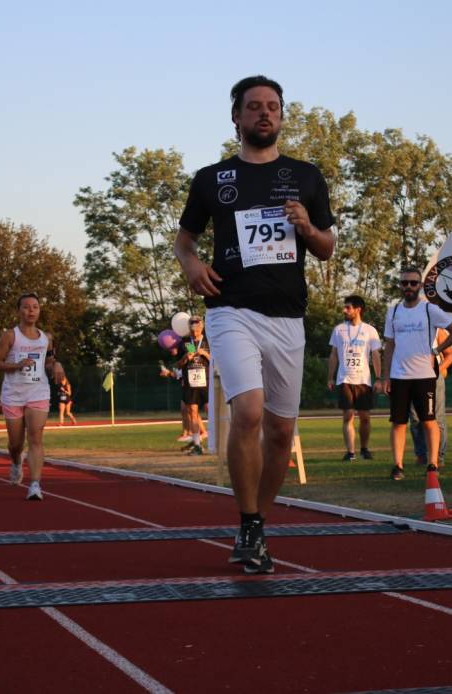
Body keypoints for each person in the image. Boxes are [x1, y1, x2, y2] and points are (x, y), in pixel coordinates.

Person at [174, 75, 335, 574]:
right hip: (231, 309)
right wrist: (193, 266)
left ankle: (257, 524)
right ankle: (247, 522)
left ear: (282, 116)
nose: (265, 114)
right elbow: (184, 241)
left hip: (288, 314)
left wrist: (307, 227)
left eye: (273, 107)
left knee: (282, 433)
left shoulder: (307, 176)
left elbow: (327, 247)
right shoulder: (211, 179)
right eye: (254, 107)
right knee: (248, 411)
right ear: (236, 117)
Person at [377, 267, 452, 480]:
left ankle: (432, 464)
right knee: (398, 422)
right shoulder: (394, 311)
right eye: (404, 283)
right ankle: (398, 465)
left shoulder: (429, 309)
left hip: (425, 375)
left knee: (429, 420)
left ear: (420, 286)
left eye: (413, 283)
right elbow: (389, 344)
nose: (408, 287)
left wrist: (436, 351)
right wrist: (385, 376)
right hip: (399, 376)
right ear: (400, 286)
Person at [0, 292, 66, 500]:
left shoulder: (45, 338)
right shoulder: (10, 336)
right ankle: (15, 462)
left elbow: (48, 362)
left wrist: (56, 365)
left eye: (35, 307)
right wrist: (16, 365)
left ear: (39, 311)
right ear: (19, 311)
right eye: (26, 307)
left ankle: (35, 485)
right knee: (15, 444)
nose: (31, 310)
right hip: (13, 394)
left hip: (38, 392)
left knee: (35, 438)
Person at [327, 295, 382, 461]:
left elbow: (376, 355)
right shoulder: (338, 330)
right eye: (345, 307)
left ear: (358, 309)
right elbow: (334, 355)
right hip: (345, 379)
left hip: (363, 380)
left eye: (348, 307)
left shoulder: (370, 330)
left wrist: (379, 378)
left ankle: (364, 448)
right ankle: (350, 452)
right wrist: (330, 377)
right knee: (348, 415)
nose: (345, 310)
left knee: (365, 417)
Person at [408, 325, 452, 469]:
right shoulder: (407, 329)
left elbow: (450, 354)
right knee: (415, 418)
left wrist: (438, 369)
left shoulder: (437, 331)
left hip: (433, 379)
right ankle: (422, 455)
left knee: (437, 418)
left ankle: (438, 456)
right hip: (411, 376)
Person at [177, 315, 210, 456]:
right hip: (191, 381)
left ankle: (220, 442)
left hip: (206, 381)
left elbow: (217, 359)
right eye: (191, 323)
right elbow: (178, 364)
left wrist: (205, 354)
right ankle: (197, 445)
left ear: (202, 326)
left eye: (196, 323)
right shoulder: (185, 343)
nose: (194, 326)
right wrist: (185, 358)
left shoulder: (208, 341)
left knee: (211, 411)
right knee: (193, 412)